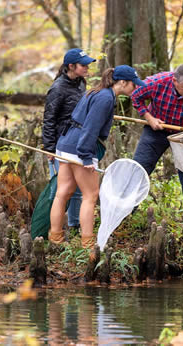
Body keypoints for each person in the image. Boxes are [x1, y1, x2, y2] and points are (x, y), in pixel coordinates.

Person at [49, 65, 147, 248]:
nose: (136, 88)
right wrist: (86, 157)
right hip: (80, 148)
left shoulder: (97, 91)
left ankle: (55, 238)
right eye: (134, 85)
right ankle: (88, 243)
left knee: (63, 193)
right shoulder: (105, 99)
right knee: (91, 195)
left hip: (65, 143)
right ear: (123, 82)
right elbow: (90, 128)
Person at [131, 64, 183, 227]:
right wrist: (149, 117)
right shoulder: (157, 82)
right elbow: (135, 96)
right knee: (139, 170)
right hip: (156, 128)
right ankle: (123, 214)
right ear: (174, 81)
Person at [42, 48, 96, 234]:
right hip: (60, 144)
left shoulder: (81, 83)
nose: (87, 68)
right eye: (83, 65)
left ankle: (74, 225)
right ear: (71, 66)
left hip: (77, 143)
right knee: (59, 189)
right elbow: (49, 120)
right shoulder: (57, 88)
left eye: (88, 65)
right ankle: (50, 229)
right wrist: (50, 149)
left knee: (78, 190)